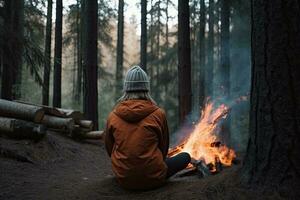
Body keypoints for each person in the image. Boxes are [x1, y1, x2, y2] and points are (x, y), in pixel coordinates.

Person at [105, 65, 191, 190]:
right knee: (185, 157)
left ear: (126, 88)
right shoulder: (158, 114)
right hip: (154, 178)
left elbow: (109, 148)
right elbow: (163, 148)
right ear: (146, 88)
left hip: (124, 179)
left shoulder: (113, 116)